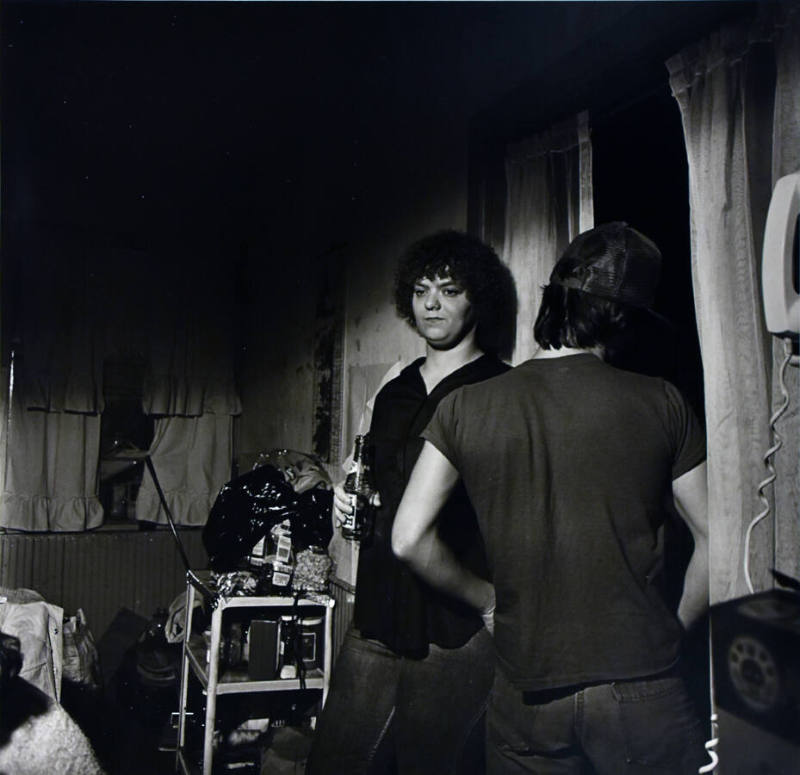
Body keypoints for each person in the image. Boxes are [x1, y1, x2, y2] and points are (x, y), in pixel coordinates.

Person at [392, 222, 709, 775]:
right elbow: (719, 540)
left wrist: (488, 601)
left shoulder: (465, 407)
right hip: (641, 684)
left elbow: (407, 539)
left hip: (525, 688)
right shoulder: (663, 401)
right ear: (625, 318)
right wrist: (673, 632)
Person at [305, 230, 515, 775]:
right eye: (422, 290)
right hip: (378, 612)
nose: (431, 304)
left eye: (449, 290)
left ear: (478, 298)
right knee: (333, 761)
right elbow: (362, 481)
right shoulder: (391, 389)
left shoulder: (503, 390)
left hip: (457, 627)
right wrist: (348, 504)